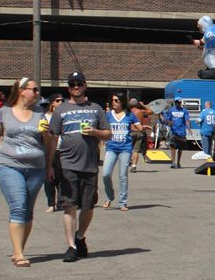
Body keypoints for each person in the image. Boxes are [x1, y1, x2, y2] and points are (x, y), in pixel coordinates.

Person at [0, 77, 46, 267]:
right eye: (34, 90)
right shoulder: (5, 112)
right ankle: (19, 254)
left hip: (36, 168)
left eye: (38, 90)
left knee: (28, 210)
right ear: (21, 91)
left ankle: (18, 248)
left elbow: (49, 140)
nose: (37, 93)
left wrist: (51, 164)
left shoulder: (40, 113)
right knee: (18, 205)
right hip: (10, 166)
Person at [47, 72, 112, 263]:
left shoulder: (96, 109)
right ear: (69, 88)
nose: (76, 87)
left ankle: (80, 236)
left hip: (90, 164)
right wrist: (49, 165)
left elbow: (107, 134)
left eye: (79, 84)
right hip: (67, 164)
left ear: (85, 85)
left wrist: (95, 132)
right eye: (72, 84)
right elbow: (52, 138)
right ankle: (71, 247)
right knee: (69, 206)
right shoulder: (61, 110)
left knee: (88, 206)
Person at [101, 93, 140, 211]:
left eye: (116, 100)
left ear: (122, 102)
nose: (114, 102)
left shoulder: (129, 115)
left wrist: (137, 127)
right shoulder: (108, 115)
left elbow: (140, 128)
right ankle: (109, 196)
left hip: (125, 149)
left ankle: (122, 202)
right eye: (113, 100)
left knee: (123, 176)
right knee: (105, 174)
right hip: (111, 148)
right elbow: (103, 128)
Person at [41, 93, 64, 211]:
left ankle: (61, 202)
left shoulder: (65, 116)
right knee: (48, 178)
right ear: (52, 103)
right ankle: (51, 203)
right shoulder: (45, 117)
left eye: (62, 100)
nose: (60, 102)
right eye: (57, 100)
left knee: (62, 177)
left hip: (62, 149)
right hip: (49, 149)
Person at [161, 99, 190, 168]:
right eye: (176, 102)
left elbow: (187, 120)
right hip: (173, 132)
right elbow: (168, 119)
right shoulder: (171, 110)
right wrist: (169, 122)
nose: (177, 103)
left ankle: (178, 163)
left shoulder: (184, 111)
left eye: (178, 102)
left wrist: (188, 128)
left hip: (182, 132)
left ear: (180, 103)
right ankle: (173, 162)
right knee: (173, 147)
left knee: (180, 148)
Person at [129, 98, 153, 172]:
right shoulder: (141, 111)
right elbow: (151, 111)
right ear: (137, 104)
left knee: (128, 148)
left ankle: (129, 160)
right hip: (139, 131)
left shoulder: (128, 112)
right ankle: (134, 166)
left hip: (130, 131)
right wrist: (143, 105)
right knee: (136, 150)